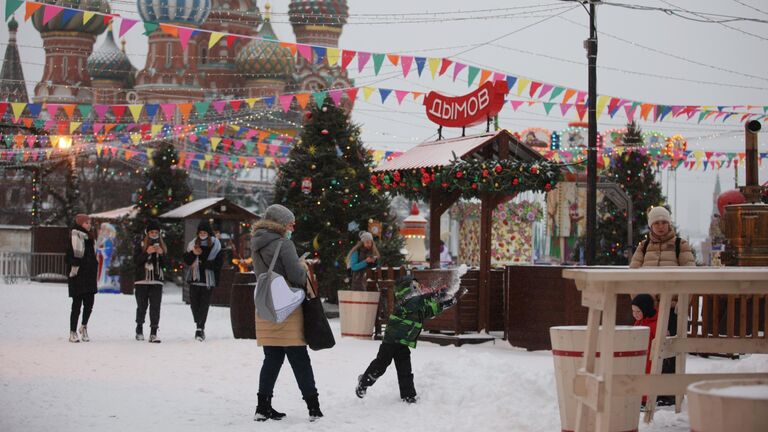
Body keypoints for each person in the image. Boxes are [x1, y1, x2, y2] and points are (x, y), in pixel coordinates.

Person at [251, 204, 322, 422]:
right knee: (299, 358)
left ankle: (262, 407)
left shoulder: (256, 243)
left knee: (271, 358)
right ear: (280, 223)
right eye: (290, 222)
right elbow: (297, 276)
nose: (293, 225)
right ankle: (313, 408)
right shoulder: (284, 244)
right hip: (287, 307)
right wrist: (303, 266)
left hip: (266, 306)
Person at [355, 275, 460, 403]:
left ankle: (408, 395)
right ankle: (364, 383)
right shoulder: (406, 303)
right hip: (391, 341)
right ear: (406, 289)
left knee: (405, 369)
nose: (419, 288)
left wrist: (444, 304)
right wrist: (438, 294)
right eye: (415, 286)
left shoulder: (416, 305)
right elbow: (422, 300)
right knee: (381, 364)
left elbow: (429, 310)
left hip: (404, 342)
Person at [183, 221, 222, 341]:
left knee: (204, 305)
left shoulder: (215, 245)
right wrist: (194, 254)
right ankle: (198, 322)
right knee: (194, 305)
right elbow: (187, 261)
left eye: (205, 232)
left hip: (208, 279)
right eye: (200, 232)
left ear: (208, 233)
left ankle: (200, 328)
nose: (202, 234)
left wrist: (205, 263)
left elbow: (218, 263)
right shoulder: (193, 244)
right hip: (194, 278)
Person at [65, 214, 98, 343]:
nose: (89, 225)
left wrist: (94, 264)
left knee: (89, 304)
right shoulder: (73, 237)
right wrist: (76, 262)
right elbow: (67, 257)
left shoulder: (91, 238)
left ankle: (83, 326)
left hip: (89, 275)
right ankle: (72, 331)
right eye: (86, 223)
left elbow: (93, 255)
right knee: (76, 305)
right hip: (78, 275)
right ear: (80, 223)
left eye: (89, 223)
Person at [133, 219, 166, 343]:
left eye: (156, 232)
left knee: (155, 307)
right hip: (142, 280)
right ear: (147, 233)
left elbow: (165, 265)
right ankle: (139, 328)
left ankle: (153, 332)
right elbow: (136, 261)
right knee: (142, 306)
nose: (154, 234)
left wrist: (161, 254)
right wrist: (147, 252)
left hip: (156, 280)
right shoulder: (140, 244)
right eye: (151, 232)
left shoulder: (162, 245)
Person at [630, 206, 695, 268]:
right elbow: (634, 273)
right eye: (656, 223)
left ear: (669, 225)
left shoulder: (681, 244)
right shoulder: (643, 246)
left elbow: (690, 273)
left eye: (664, 222)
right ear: (651, 226)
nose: (660, 226)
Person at [631, 294, 658, 408]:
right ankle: (638, 397)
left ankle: (645, 399)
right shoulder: (639, 322)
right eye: (633, 311)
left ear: (646, 309)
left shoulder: (654, 324)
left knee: (646, 376)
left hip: (649, 357)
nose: (635, 314)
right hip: (640, 354)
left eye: (638, 311)